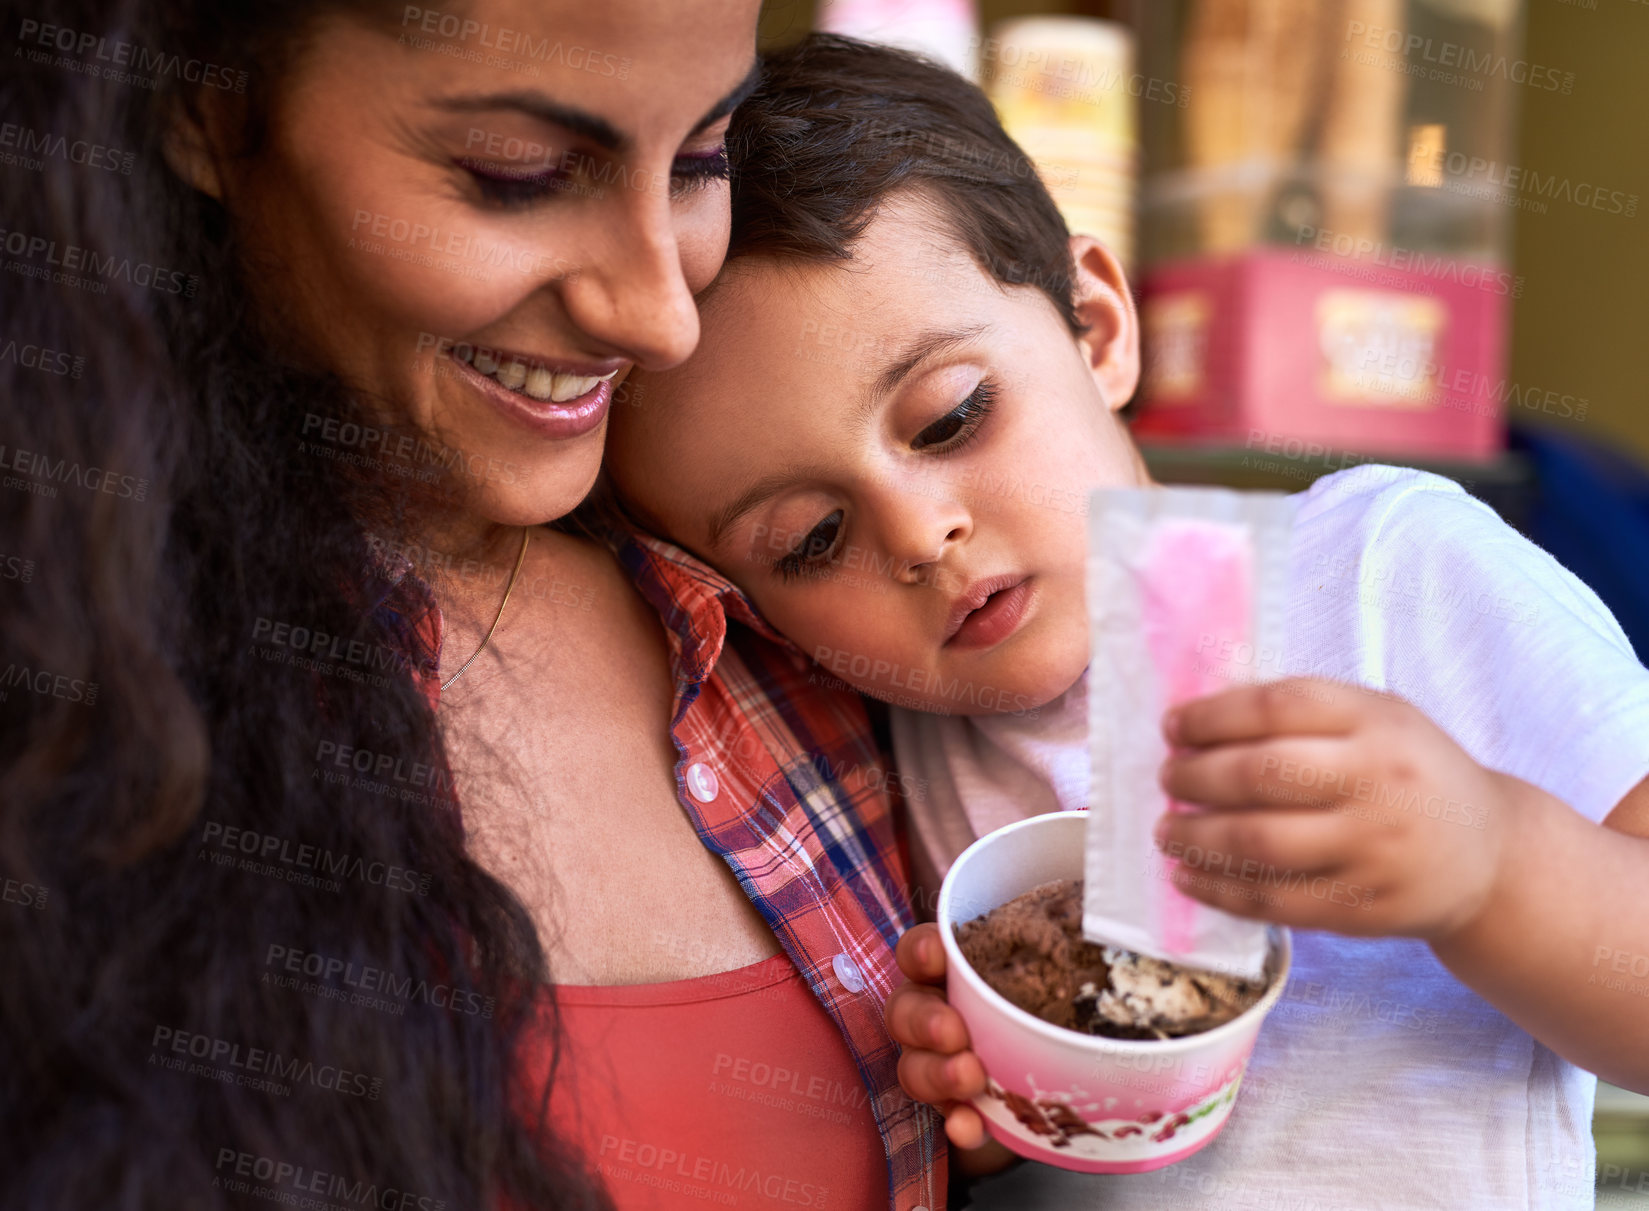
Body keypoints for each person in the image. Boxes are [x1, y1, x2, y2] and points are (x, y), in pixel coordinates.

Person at [603, 34, 1649, 1208]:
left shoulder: (1383, 569)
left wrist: (1490, 863)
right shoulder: (896, 755)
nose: (916, 533)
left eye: (949, 417)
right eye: (809, 538)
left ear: (1094, 328)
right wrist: (987, 1105)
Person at [1, 6, 941, 1209]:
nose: (663, 319)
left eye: (703, 157)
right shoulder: (74, 673)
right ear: (209, 106)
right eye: (523, 175)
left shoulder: (764, 598)